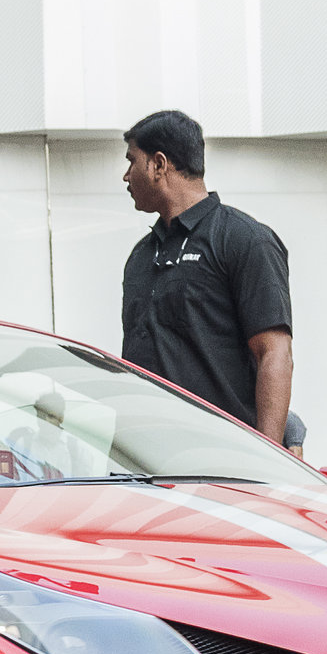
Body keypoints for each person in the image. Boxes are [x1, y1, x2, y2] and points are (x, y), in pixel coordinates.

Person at [119, 109, 293, 444]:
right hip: (148, 459)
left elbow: (275, 354)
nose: (126, 176)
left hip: (223, 460)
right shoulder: (141, 256)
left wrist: (270, 463)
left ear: (158, 164)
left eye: (132, 161)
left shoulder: (244, 239)